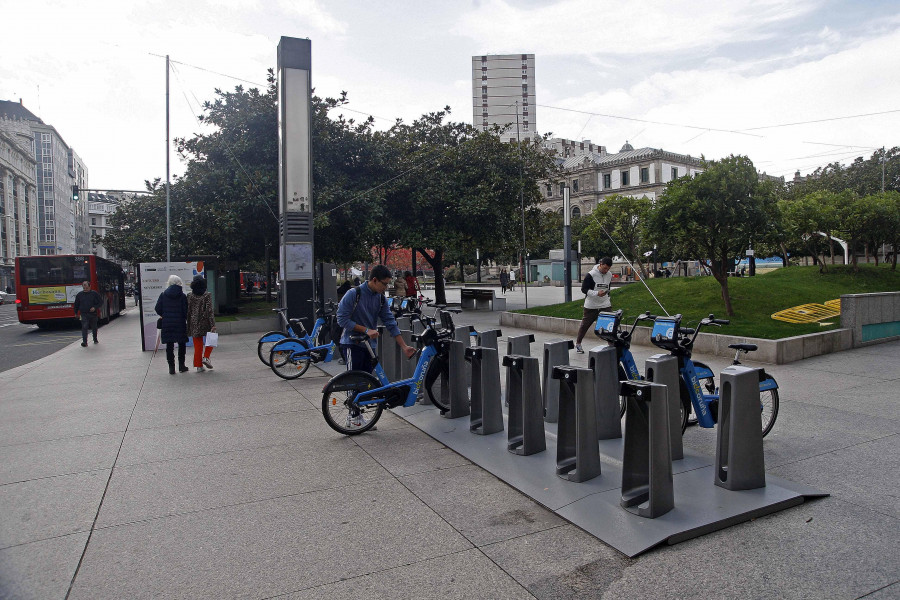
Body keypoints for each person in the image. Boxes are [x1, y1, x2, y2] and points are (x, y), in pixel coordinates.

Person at [337, 265, 416, 428]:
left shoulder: (380, 298)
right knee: (354, 379)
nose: (386, 288)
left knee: (366, 382)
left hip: (369, 345)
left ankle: (355, 416)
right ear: (374, 280)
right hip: (352, 343)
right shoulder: (354, 294)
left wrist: (404, 346)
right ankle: (353, 416)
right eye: (384, 284)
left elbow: (390, 322)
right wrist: (366, 330)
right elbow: (342, 320)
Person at [574, 257, 614, 354]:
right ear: (600, 264)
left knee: (610, 324)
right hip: (591, 304)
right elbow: (584, 289)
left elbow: (608, 286)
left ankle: (611, 344)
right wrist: (596, 293)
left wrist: (607, 295)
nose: (606, 271)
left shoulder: (609, 275)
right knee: (585, 324)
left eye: (608, 269)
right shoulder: (591, 274)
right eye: (604, 268)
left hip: (605, 303)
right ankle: (578, 343)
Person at [155, 275, 189, 375]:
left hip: (167, 323)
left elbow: (157, 308)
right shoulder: (182, 296)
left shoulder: (163, 295)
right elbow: (186, 311)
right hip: (180, 323)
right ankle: (182, 365)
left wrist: (164, 315)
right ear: (179, 283)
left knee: (169, 345)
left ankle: (171, 367)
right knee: (182, 344)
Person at [187, 275, 216, 372]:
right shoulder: (207, 295)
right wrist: (213, 324)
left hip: (194, 322)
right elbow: (209, 311)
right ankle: (206, 357)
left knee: (197, 345)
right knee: (212, 339)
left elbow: (188, 311)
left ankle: (199, 366)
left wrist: (189, 323)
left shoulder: (190, 296)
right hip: (205, 321)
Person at [73, 281, 103, 347]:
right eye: (84, 288)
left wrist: (95, 307)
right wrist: (76, 312)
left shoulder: (94, 294)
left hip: (93, 314)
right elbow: (76, 304)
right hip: (83, 314)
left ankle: (95, 339)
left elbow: (100, 302)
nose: (85, 289)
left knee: (94, 327)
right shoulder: (79, 295)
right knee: (84, 326)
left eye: (86, 288)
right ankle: (85, 342)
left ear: (90, 287)